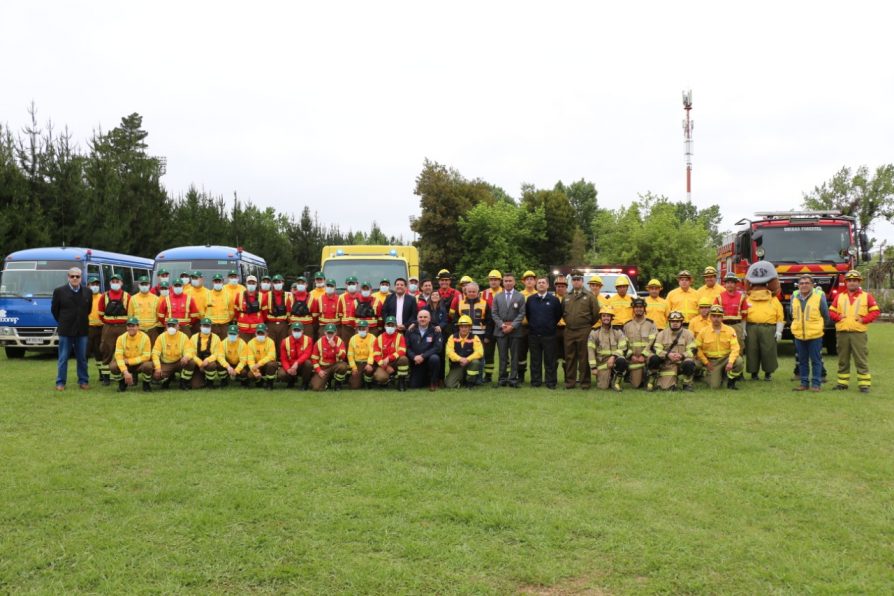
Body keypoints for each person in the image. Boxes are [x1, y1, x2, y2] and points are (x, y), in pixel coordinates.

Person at [829, 269, 880, 393]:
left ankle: (864, 385)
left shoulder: (866, 296)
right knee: (843, 359)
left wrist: (864, 320)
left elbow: (875, 311)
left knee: (860, 359)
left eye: (855, 281)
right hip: (842, 333)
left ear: (859, 282)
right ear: (846, 282)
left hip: (858, 333)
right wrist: (838, 317)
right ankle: (842, 384)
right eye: (850, 281)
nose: (852, 283)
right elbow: (831, 311)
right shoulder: (839, 296)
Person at [50, 267, 94, 391]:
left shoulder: (88, 292)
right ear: (68, 277)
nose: (75, 278)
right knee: (63, 358)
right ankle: (60, 382)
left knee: (82, 358)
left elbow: (88, 310)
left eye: (77, 276)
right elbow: (55, 310)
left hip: (82, 330)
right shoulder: (59, 291)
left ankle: (83, 381)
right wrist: (64, 321)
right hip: (66, 330)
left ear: (81, 278)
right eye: (72, 276)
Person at [744, 261, 784, 381]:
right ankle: (755, 373)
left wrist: (779, 331)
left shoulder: (773, 299)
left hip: (767, 327)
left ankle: (767, 373)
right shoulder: (747, 298)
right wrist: (743, 328)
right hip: (752, 327)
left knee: (767, 350)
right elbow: (744, 314)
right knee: (753, 350)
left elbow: (779, 317)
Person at [790, 274, 829, 392]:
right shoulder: (794, 296)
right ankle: (804, 383)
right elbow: (792, 314)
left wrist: (819, 327)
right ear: (798, 285)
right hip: (799, 335)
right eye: (801, 283)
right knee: (802, 361)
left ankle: (816, 384)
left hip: (815, 335)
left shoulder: (819, 296)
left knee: (816, 361)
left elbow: (825, 315)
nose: (804, 286)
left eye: (807, 283)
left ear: (812, 285)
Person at [563, 271, 600, 389]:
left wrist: (586, 325)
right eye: (574, 280)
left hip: (584, 330)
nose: (576, 282)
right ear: (571, 282)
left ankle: (585, 382)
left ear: (582, 281)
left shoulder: (589, 296)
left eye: (578, 279)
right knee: (569, 357)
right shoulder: (566, 296)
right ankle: (570, 382)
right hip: (569, 330)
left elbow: (596, 314)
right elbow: (563, 313)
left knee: (584, 357)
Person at [525, 276, 563, 389]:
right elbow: (528, 315)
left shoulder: (554, 300)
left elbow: (558, 315)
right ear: (536, 285)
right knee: (535, 360)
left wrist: (549, 325)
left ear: (547, 285)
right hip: (534, 335)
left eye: (543, 283)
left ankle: (550, 382)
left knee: (550, 360)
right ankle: (536, 382)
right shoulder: (531, 299)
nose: (541, 284)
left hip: (549, 335)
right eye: (539, 283)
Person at [695, 305, 744, 390]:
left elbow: (735, 348)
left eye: (719, 316)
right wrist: (706, 362)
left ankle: (731, 381)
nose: (716, 319)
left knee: (739, 361)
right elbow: (697, 348)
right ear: (710, 317)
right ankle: (703, 376)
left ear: (722, 317)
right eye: (714, 316)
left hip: (726, 359)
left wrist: (731, 362)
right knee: (715, 386)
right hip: (712, 362)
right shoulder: (703, 331)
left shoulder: (730, 330)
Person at [491, 272, 526, 388]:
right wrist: (502, 325)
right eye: (506, 281)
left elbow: (522, 313)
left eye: (510, 281)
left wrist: (512, 326)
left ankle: (513, 379)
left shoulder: (520, 296)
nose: (508, 283)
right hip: (501, 331)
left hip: (515, 331)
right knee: (502, 356)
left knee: (515, 356)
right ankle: (502, 378)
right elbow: (494, 313)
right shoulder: (497, 296)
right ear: (503, 282)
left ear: (514, 282)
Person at [648, 310, 697, 391]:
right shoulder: (662, 334)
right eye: (672, 321)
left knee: (689, 363)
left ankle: (687, 384)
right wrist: (667, 355)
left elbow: (693, 350)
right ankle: (653, 379)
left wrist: (682, 355)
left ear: (681, 322)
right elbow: (656, 349)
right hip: (667, 363)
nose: (675, 323)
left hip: (682, 362)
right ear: (669, 322)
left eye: (677, 321)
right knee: (654, 359)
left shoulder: (688, 334)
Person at [97, 273, 131, 386]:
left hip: (123, 327)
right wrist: (109, 322)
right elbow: (100, 314)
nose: (115, 283)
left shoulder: (127, 296)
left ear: (121, 283)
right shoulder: (104, 296)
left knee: (125, 351)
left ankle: (125, 374)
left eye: (117, 281)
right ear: (110, 283)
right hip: (108, 328)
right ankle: (106, 377)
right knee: (106, 350)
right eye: (113, 281)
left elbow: (130, 313)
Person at [451, 282, 490, 382]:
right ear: (465, 292)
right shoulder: (460, 304)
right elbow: (456, 321)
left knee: (479, 358)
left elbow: (489, 321)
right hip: (464, 336)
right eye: (469, 291)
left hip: (480, 336)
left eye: (474, 291)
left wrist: (487, 336)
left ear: (478, 292)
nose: (472, 293)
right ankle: (464, 378)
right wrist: (457, 335)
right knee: (465, 356)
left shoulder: (484, 303)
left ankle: (479, 379)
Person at [588, 307, 628, 391]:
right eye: (604, 316)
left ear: (611, 318)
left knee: (622, 360)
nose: (606, 318)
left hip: (615, 360)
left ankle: (616, 382)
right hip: (602, 365)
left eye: (608, 316)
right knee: (603, 387)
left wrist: (613, 356)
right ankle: (609, 378)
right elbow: (590, 351)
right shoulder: (594, 333)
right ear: (600, 318)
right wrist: (593, 368)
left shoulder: (617, 331)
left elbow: (623, 347)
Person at [109, 316, 153, 393]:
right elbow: (118, 357)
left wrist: (129, 361)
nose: (131, 328)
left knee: (148, 366)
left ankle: (146, 384)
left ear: (138, 327)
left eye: (133, 326)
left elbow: (146, 356)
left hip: (139, 364)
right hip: (125, 364)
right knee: (113, 366)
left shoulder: (145, 338)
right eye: (129, 326)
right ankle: (122, 383)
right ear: (126, 327)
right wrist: (125, 372)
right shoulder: (121, 338)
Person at [151, 318, 195, 390]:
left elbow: (190, 351)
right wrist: (158, 368)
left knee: (191, 362)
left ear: (178, 326)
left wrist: (187, 356)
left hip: (179, 362)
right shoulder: (161, 337)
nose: (171, 328)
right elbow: (155, 354)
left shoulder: (184, 337)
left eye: (173, 325)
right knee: (157, 377)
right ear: (166, 327)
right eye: (169, 326)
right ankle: (168, 379)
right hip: (166, 363)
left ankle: (183, 382)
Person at [623, 298, 657, 389]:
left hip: (647, 357)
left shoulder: (651, 324)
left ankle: (652, 375)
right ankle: (632, 375)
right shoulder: (627, 325)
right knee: (636, 385)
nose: (639, 309)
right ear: (633, 309)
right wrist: (631, 356)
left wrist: (643, 355)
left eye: (641, 307)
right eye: (636, 307)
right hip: (634, 358)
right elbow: (624, 344)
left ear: (644, 308)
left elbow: (652, 342)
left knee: (655, 359)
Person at [405, 309, 444, 390]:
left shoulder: (436, 330)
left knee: (435, 358)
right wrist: (414, 357)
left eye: (425, 317)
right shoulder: (410, 330)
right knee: (414, 386)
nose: (422, 319)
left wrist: (423, 356)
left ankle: (433, 382)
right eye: (420, 317)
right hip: (417, 361)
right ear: (417, 319)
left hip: (428, 359)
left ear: (430, 319)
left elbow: (438, 348)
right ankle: (425, 378)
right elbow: (407, 347)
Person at [445, 315, 484, 389]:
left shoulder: (475, 338)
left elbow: (480, 352)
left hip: (470, 364)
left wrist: (467, 359)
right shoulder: (452, 337)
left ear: (470, 327)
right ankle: (462, 381)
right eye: (462, 327)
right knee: (450, 385)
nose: (464, 329)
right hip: (457, 365)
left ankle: (470, 383)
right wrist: (460, 359)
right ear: (459, 327)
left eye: (466, 327)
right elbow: (449, 352)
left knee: (475, 362)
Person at [184, 317, 223, 389]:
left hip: (208, 363)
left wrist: (208, 360)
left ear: (211, 327)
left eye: (208, 326)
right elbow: (191, 352)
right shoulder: (194, 337)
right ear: (200, 327)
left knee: (212, 365)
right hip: (197, 365)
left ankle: (210, 383)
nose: (206, 327)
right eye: (204, 326)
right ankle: (185, 382)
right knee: (196, 385)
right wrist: (200, 363)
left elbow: (217, 353)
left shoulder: (216, 338)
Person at [372, 315, 410, 390]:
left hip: (396, 362)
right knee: (381, 377)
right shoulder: (379, 338)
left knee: (404, 359)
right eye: (388, 325)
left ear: (396, 327)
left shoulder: (400, 336)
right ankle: (387, 380)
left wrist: (389, 358)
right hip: (384, 363)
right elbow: (376, 355)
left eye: (392, 325)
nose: (390, 327)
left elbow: (402, 351)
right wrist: (385, 367)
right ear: (385, 326)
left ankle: (401, 381)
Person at [715, 272, 748, 354]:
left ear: (736, 284)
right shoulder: (719, 297)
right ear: (725, 284)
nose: (730, 284)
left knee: (738, 347)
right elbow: (714, 315)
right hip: (723, 325)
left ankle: (738, 365)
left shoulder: (742, 297)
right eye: (728, 282)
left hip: (737, 326)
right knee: (723, 346)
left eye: (732, 282)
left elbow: (744, 315)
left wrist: (743, 329)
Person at [310, 323, 348, 391]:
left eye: (332, 333)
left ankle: (338, 384)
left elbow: (343, 356)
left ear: (335, 333)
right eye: (328, 333)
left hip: (335, 366)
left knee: (343, 366)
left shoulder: (339, 341)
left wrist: (335, 347)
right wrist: (319, 371)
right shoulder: (319, 342)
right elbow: (314, 359)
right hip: (323, 367)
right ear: (325, 332)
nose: (330, 335)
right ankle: (327, 381)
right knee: (316, 388)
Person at [277, 321, 314, 390]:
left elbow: (307, 354)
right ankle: (291, 380)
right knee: (281, 374)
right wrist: (288, 369)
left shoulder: (308, 340)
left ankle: (305, 383)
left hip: (302, 366)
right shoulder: (285, 341)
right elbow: (283, 359)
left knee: (308, 363)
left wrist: (297, 363)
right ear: (291, 331)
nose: (296, 332)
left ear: (302, 331)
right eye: (295, 330)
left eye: (298, 330)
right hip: (290, 365)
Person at [241, 323, 278, 390]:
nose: (260, 335)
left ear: (267, 334)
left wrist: (259, 364)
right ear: (255, 334)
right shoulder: (250, 343)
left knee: (271, 364)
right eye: (259, 333)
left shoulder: (271, 342)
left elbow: (271, 356)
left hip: (266, 365)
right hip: (255, 366)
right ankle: (259, 381)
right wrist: (256, 372)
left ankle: (270, 383)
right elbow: (250, 360)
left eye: (262, 333)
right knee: (250, 375)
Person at [263, 274, 292, 357]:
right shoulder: (267, 295)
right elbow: (264, 311)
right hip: (270, 324)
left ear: (283, 283)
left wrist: (288, 322)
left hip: (283, 324)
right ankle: (271, 360)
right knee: (270, 343)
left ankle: (281, 361)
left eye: (279, 282)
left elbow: (289, 311)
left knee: (282, 344)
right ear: (272, 284)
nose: (277, 284)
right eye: (275, 282)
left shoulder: (288, 295)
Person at [128, 275, 161, 345]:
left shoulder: (156, 299)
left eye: (146, 284)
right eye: (142, 284)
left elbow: (158, 316)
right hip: (138, 331)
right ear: (139, 285)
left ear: (149, 285)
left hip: (152, 330)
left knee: (153, 351)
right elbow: (130, 316)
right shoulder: (133, 299)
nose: (144, 286)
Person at [234, 275, 265, 342]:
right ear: (246, 284)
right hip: (243, 329)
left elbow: (264, 312)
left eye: (253, 283)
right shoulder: (239, 295)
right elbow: (236, 311)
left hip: (257, 329)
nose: (251, 285)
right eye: (249, 283)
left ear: (256, 284)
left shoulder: (262, 296)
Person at [348, 320, 377, 389]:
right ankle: (361, 380)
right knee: (354, 386)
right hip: (357, 364)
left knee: (369, 370)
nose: (361, 330)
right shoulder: (353, 339)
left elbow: (372, 353)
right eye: (360, 328)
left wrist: (369, 364)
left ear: (368, 329)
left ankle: (368, 383)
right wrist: (354, 367)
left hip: (368, 363)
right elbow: (350, 355)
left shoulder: (373, 338)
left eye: (364, 328)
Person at [85, 276, 105, 383]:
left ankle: (102, 374)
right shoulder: (84, 297)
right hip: (87, 328)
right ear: (88, 286)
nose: (95, 286)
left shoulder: (103, 297)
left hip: (100, 328)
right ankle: (84, 376)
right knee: (85, 353)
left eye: (97, 284)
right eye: (93, 284)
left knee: (99, 353)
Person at [206, 273, 235, 339]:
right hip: (212, 325)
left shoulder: (228, 295)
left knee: (224, 344)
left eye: (219, 281)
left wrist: (226, 320)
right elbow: (202, 311)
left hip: (224, 326)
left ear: (223, 282)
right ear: (213, 282)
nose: (218, 283)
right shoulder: (207, 295)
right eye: (216, 281)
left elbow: (231, 312)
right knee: (212, 345)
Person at [336, 276, 361, 344]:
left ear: (357, 285)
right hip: (346, 327)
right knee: (345, 345)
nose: (351, 286)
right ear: (346, 285)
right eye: (349, 284)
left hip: (358, 327)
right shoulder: (341, 297)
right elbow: (340, 313)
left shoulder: (360, 297)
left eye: (353, 284)